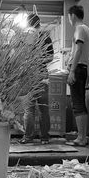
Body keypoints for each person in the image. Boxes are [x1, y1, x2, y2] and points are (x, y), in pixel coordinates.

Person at [19, 13, 54, 144]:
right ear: (39, 23)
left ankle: (28, 138)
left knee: (29, 109)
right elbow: (50, 57)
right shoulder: (45, 36)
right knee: (44, 108)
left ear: (28, 23)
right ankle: (45, 138)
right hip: (42, 75)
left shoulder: (25, 36)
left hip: (28, 75)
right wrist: (40, 59)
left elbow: (20, 57)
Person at [66, 5, 89, 146]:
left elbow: (78, 49)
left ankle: (81, 138)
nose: (69, 19)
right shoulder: (87, 29)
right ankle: (82, 136)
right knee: (80, 103)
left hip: (78, 69)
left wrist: (72, 70)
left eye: (69, 16)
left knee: (77, 104)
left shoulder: (79, 29)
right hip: (83, 68)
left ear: (73, 16)